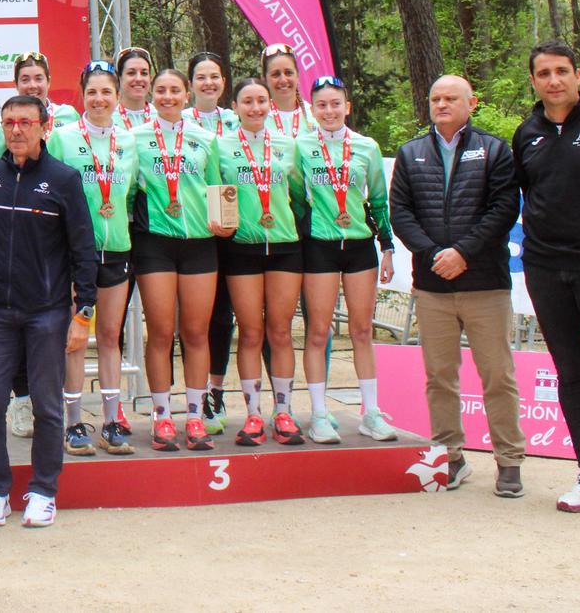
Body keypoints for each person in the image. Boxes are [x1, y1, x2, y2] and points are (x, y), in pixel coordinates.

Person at [390, 75, 524, 496]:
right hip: (433, 286)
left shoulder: (496, 150)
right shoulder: (411, 153)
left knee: (497, 375)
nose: (441, 104)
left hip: (485, 283)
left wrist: (463, 252)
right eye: (435, 98)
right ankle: (451, 456)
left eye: (451, 98)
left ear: (471, 103)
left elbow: (503, 208)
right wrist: (434, 255)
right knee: (439, 376)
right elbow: (401, 212)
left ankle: (509, 460)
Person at [0, 95, 97, 529]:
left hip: (47, 313)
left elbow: (83, 250)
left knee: (47, 404)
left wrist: (83, 314)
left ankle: (44, 490)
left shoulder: (63, 179)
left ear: (44, 126)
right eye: (8, 122)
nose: (16, 130)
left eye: (26, 122)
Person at [513, 41, 580, 516]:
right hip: (545, 267)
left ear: (579, 75)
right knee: (570, 372)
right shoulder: (527, 133)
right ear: (533, 81)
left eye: (561, 71)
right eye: (543, 73)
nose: (553, 80)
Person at [296, 75, 396, 444]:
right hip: (319, 245)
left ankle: (370, 412)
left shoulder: (367, 147)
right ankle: (319, 414)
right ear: (313, 110)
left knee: (361, 330)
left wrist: (387, 246)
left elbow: (379, 201)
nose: (329, 111)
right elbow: (295, 197)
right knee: (319, 331)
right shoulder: (301, 146)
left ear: (347, 107)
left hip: (358, 246)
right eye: (321, 105)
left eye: (336, 103)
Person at [129, 68, 221, 452]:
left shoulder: (206, 138)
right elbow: (126, 188)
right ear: (152, 95)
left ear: (187, 95)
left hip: (200, 243)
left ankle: (196, 416)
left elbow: (218, 188)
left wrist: (224, 221)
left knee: (196, 333)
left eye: (175, 91)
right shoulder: (134, 138)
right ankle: (163, 416)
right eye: (161, 90)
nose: (168, 97)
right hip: (155, 243)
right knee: (162, 332)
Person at [48, 60, 137, 454]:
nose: (99, 99)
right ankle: (73, 424)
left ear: (117, 97)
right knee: (73, 339)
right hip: (74, 253)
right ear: (81, 96)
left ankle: (113, 420)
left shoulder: (129, 141)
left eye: (106, 92)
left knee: (109, 337)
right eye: (92, 92)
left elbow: (130, 196)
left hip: (116, 247)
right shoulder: (63, 138)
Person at [211, 77, 305, 446]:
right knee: (250, 331)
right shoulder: (221, 146)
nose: (255, 108)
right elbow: (217, 193)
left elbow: (298, 196)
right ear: (234, 107)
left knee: (280, 331)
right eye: (247, 101)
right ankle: (252, 415)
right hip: (243, 247)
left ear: (270, 104)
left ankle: (283, 412)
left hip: (284, 245)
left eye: (261, 101)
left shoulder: (288, 145)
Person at [185, 51, 240, 433]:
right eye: (201, 77)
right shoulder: (175, 121)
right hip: (190, 230)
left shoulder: (237, 120)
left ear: (223, 83)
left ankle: (215, 393)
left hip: (227, 229)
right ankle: (190, 395)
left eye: (214, 77)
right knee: (190, 322)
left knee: (222, 315)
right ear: (191, 85)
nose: (208, 83)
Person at [0, 52, 80, 159]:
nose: (32, 85)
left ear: (48, 81)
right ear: (16, 84)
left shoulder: (68, 114)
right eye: (25, 80)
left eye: (38, 79)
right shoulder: (1, 124)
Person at [261, 43, 310, 138]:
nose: (283, 80)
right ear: (264, 79)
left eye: (288, 73)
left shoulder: (314, 115)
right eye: (275, 74)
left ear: (297, 75)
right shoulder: (258, 117)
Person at [113, 46, 154, 128]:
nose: (138, 78)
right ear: (119, 77)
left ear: (150, 78)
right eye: (131, 73)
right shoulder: (107, 118)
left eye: (144, 73)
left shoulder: (162, 117)